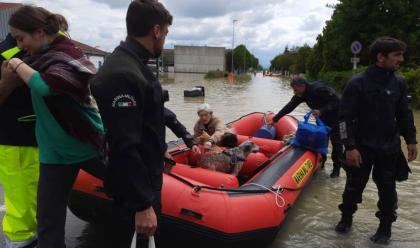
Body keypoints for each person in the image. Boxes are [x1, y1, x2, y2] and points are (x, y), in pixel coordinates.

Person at [4, 6, 104, 247]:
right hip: (53, 152)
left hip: (86, 142)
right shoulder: (33, 57)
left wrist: (17, 64)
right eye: (15, 39)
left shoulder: (66, 53)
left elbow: (47, 86)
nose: (18, 44)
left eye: (21, 38)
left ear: (39, 32)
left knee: (130, 188)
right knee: (48, 222)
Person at [90, 0, 172, 247]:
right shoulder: (123, 75)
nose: (165, 40)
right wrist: (142, 204)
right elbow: (124, 145)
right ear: (156, 30)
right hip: (136, 190)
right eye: (165, 34)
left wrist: (161, 148)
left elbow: (145, 121)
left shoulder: (134, 64)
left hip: (144, 179)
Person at [335, 37, 417, 244]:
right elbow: (344, 118)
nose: (401, 59)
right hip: (361, 148)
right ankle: (346, 219)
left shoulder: (399, 82)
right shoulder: (357, 83)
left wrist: (411, 140)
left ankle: (385, 228)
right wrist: (350, 147)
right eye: (397, 55)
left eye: (401, 54)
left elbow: (404, 113)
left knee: (388, 190)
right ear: (380, 57)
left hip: (389, 147)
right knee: (353, 187)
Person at [0, 34, 38, 248]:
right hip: (15, 144)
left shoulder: (42, 52)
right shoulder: (5, 55)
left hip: (43, 142)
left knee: (38, 205)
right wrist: (6, 83)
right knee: (21, 211)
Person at [270, 77, 343, 178]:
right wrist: (275, 119)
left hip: (338, 117)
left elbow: (337, 101)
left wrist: (321, 110)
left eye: (295, 90)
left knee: (337, 142)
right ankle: (322, 163)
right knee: (322, 140)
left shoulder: (320, 89)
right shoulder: (301, 94)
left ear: (302, 86)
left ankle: (337, 169)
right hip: (323, 118)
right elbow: (290, 106)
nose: (294, 92)